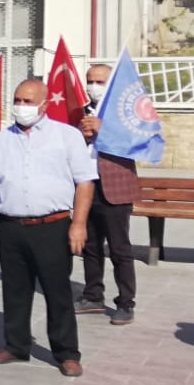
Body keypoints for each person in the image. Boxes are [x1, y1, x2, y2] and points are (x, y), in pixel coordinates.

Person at [0, 78, 98, 377]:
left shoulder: (66, 136)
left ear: (44, 105)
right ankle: (16, 346)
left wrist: (79, 224)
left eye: (28, 101)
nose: (21, 107)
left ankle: (67, 353)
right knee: (15, 290)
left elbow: (85, 182)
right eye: (17, 100)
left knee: (57, 292)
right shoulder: (0, 141)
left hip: (52, 226)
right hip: (10, 226)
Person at [75, 63, 138, 325]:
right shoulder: (79, 111)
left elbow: (139, 142)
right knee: (90, 245)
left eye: (100, 82)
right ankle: (93, 295)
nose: (93, 87)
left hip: (114, 187)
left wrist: (104, 129)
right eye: (90, 81)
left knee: (119, 248)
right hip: (87, 185)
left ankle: (125, 302)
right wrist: (81, 135)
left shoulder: (127, 111)